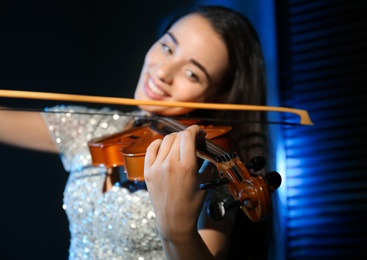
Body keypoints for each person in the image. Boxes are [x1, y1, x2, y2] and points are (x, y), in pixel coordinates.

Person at [0, 5, 268, 260]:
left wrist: (177, 232)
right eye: (167, 47)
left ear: (217, 96)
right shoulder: (95, 129)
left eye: (191, 74)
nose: (163, 71)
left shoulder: (207, 171)